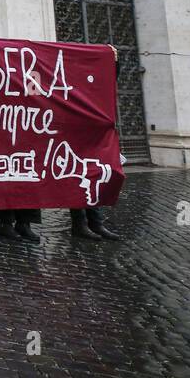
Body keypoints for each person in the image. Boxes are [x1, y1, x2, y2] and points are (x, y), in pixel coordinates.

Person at [71, 44, 123, 241]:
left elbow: (109, 80)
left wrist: (114, 61)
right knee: (76, 180)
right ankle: (80, 223)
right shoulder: (67, 81)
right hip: (72, 138)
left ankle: (96, 222)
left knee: (95, 177)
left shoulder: (92, 82)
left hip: (93, 138)